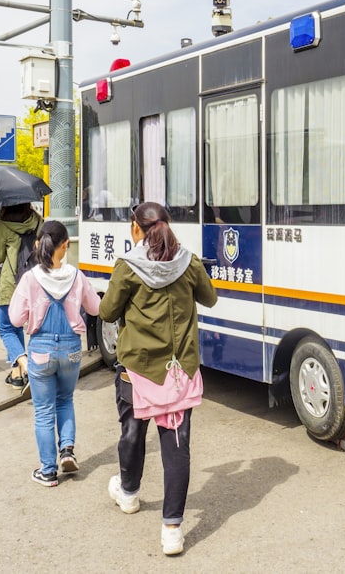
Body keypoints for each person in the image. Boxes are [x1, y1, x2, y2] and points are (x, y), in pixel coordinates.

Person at [99, 202, 217, 556]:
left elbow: (107, 312)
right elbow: (209, 298)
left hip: (138, 369)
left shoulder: (128, 268)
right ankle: (172, 530)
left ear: (137, 229)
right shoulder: (188, 262)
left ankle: (130, 493)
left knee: (132, 434)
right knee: (176, 448)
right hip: (179, 372)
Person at [8, 221, 100, 487]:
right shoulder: (76, 275)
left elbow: (15, 318)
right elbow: (95, 308)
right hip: (71, 348)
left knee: (44, 411)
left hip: (40, 350)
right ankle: (67, 450)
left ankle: (48, 471)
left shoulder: (30, 278)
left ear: (39, 244)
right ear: (65, 245)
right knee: (65, 400)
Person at [0, 202, 44, 389]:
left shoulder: (0, 222)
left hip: (11, 284)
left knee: (7, 328)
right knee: (26, 327)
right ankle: (16, 373)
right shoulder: (37, 220)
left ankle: (27, 366)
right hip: (36, 282)